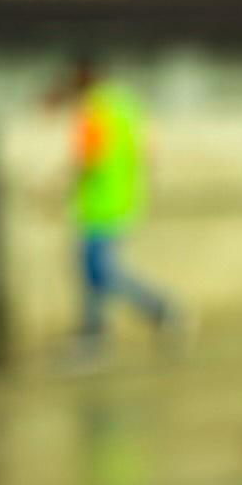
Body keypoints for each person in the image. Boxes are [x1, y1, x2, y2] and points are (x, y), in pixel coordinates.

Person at [61, 57, 184, 353]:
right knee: (94, 272)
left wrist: (57, 189)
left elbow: (87, 158)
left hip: (98, 204)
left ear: (82, 77)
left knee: (100, 272)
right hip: (126, 199)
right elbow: (147, 152)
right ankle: (94, 334)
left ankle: (160, 309)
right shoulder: (127, 104)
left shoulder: (94, 110)